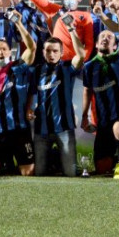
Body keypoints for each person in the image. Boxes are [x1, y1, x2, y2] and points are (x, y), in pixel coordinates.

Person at [0, 10, 36, 176]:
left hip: (20, 130)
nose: (0, 53)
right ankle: (7, 163)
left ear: (10, 52)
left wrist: (18, 23)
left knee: (28, 173)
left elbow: (32, 47)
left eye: (4, 49)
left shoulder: (18, 68)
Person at [81, 10, 119, 177]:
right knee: (102, 169)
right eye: (102, 37)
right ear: (96, 45)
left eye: (110, 37)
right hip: (103, 122)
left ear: (114, 46)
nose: (105, 38)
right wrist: (84, 116)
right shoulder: (89, 67)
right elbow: (87, 91)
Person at [30, 31, 86, 176]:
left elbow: (81, 55)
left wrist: (71, 30)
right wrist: (28, 109)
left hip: (64, 128)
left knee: (71, 173)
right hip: (41, 130)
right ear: (43, 52)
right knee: (39, 173)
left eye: (55, 51)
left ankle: (58, 162)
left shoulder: (67, 69)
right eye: (48, 51)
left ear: (61, 53)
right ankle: (54, 161)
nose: (51, 54)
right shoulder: (36, 71)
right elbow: (29, 94)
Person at [28, 0, 93, 62]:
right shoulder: (55, 9)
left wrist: (82, 59)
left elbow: (89, 43)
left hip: (76, 62)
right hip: (57, 61)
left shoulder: (86, 16)